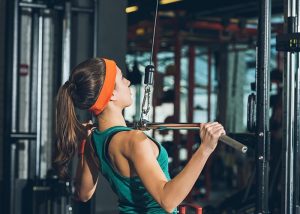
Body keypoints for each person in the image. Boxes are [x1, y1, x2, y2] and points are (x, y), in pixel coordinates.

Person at [53, 58, 226, 214]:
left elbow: (83, 194)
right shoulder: (134, 141)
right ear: (111, 94)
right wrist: (205, 149)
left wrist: (84, 140)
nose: (128, 82)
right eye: (121, 78)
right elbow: (168, 200)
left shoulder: (93, 140)